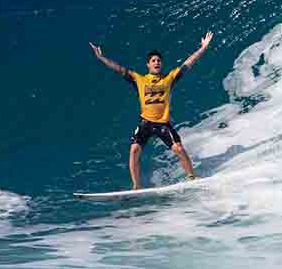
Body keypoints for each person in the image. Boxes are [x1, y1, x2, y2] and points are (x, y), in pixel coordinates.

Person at [89, 32, 213, 189]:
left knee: (179, 148)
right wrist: (101, 58)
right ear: (148, 64)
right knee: (134, 150)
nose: (157, 62)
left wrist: (203, 48)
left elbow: (188, 63)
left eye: (159, 61)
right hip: (146, 123)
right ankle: (136, 186)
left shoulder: (169, 79)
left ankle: (191, 176)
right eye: (153, 61)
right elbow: (119, 69)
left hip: (163, 124)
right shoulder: (139, 80)